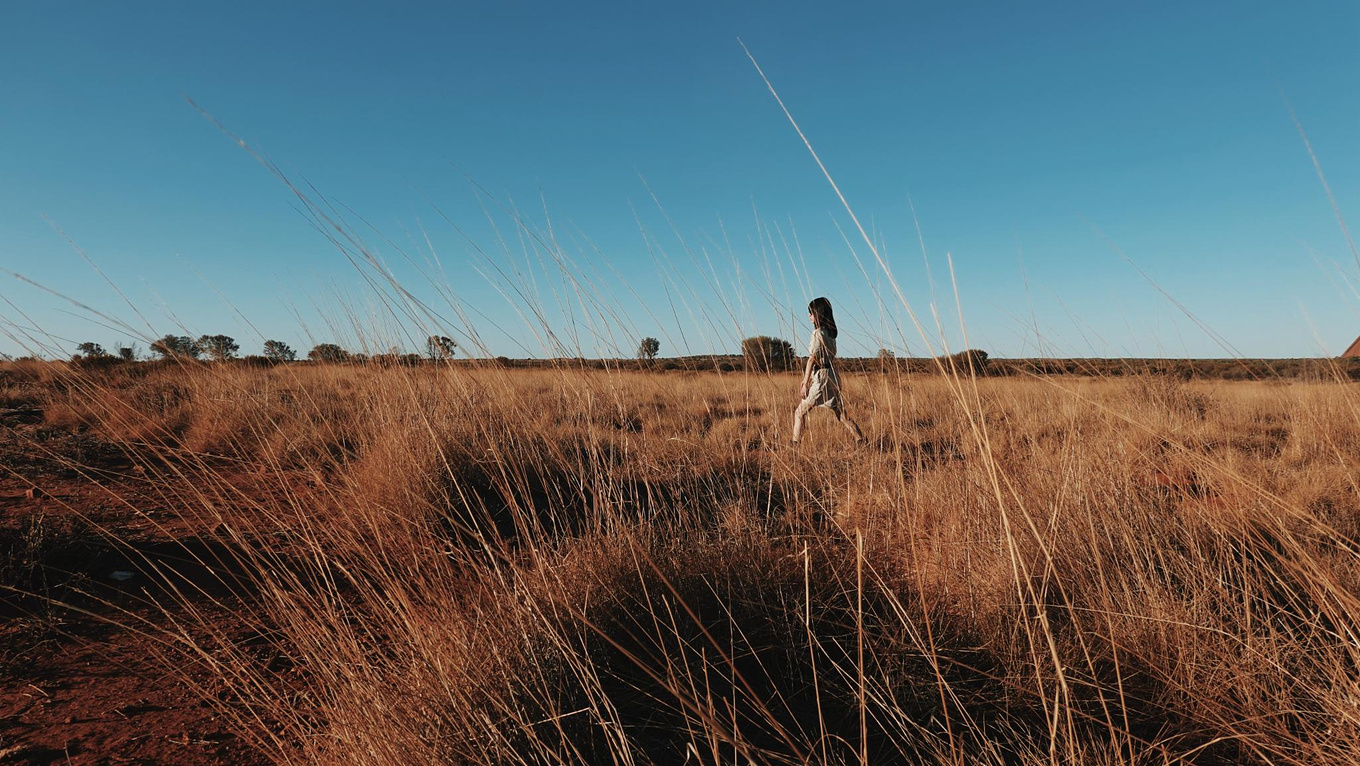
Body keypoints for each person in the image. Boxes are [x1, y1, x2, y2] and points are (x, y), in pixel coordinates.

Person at [793, 297, 864, 445]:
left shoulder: (817, 333)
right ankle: (861, 440)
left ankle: (794, 445)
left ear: (818, 314)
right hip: (833, 375)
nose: (809, 316)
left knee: (799, 413)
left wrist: (806, 382)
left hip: (822, 376)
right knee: (841, 415)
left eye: (811, 313)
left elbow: (812, 359)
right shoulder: (831, 334)